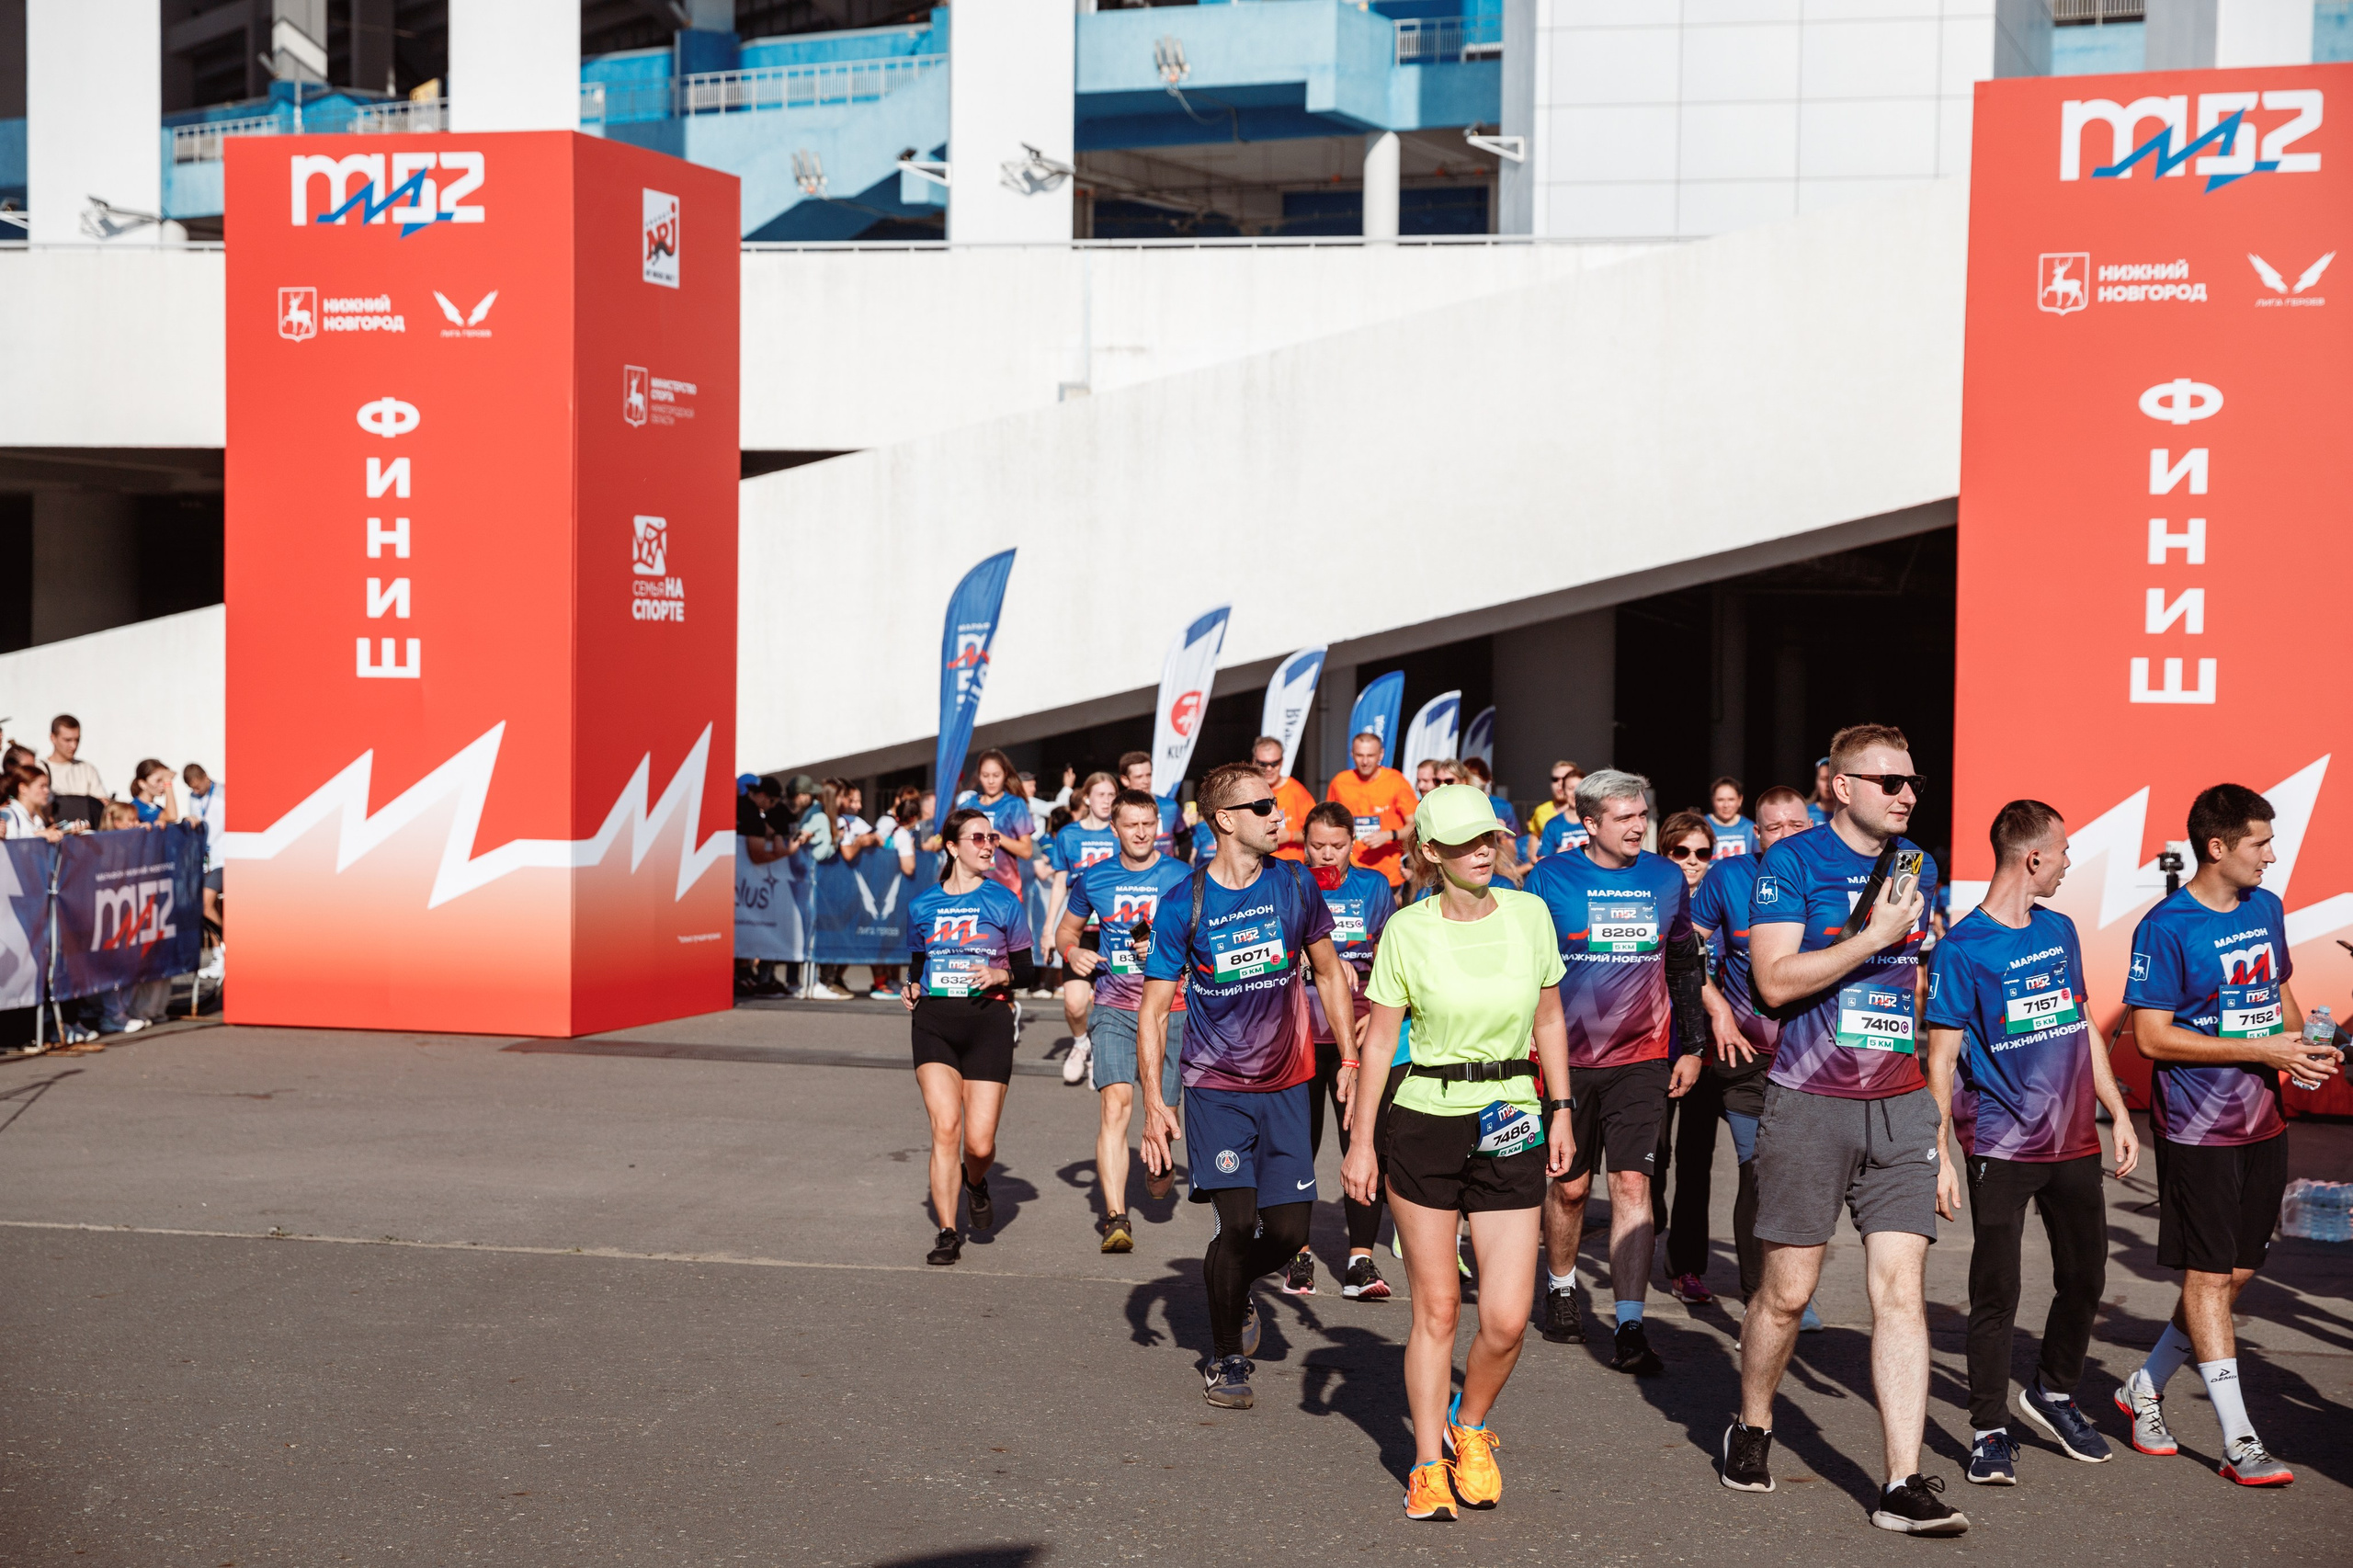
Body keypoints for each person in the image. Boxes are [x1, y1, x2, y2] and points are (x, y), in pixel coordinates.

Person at [1723, 722, 1965, 1536]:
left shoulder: (1918, 866)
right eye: (1891, 783)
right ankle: (1753, 1423)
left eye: (1912, 784)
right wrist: (1870, 938)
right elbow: (1774, 981)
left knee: (1901, 1294)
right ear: (1841, 785)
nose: (1906, 796)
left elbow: (1921, 985)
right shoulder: (1791, 864)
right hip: (1809, 1100)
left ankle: (1901, 1480)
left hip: (1899, 1105)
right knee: (1786, 1294)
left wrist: (1940, 1127)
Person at [1341, 784, 1574, 1521]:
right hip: (1424, 1118)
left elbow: (1551, 1017)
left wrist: (1561, 1109)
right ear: (1431, 853)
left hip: (1511, 1108)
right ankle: (1423, 1465)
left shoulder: (1529, 911)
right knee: (1437, 1308)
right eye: (1466, 841)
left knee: (1506, 1318)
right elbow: (1380, 1040)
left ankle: (1468, 1427)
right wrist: (1358, 1142)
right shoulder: (1407, 930)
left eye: (1491, 837)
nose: (1484, 850)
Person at [2116, 782, 2338, 1487]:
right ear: (2218, 848)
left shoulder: (2265, 908)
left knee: (2238, 1273)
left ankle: (2143, 1386)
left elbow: (2275, 993)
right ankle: (2241, 1440)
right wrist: (2262, 1053)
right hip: (2196, 1130)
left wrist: (2299, 1050)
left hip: (2263, 1120)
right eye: (2260, 844)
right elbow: (2150, 1038)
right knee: (2209, 1279)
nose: (2271, 858)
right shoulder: (2166, 925)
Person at [1925, 799, 2141, 1487]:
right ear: (2033, 857)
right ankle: (1989, 1426)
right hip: (2001, 1144)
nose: (2070, 862)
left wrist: (2117, 1110)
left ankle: (2050, 1392)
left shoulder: (2061, 931)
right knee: (1998, 1289)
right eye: (2064, 851)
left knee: (2087, 1278)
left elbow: (2080, 1026)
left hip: (2074, 1141)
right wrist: (1942, 1157)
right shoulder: (1964, 946)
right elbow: (1940, 1060)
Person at [1136, 761, 1361, 1410]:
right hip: (1215, 1086)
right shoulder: (1186, 901)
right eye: (1264, 808)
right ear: (1225, 821)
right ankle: (1227, 1357)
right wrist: (1156, 1103)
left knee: (1290, 1233)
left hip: (1290, 1081)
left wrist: (1347, 1057)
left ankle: (1228, 1282)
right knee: (1236, 1224)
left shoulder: (1294, 883)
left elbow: (1328, 972)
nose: (1279, 816)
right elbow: (1153, 1011)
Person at [1526, 769, 1708, 1369]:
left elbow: (1683, 961)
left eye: (1642, 814)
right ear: (1591, 823)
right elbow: (1525, 969)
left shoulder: (1665, 877)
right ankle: (1560, 1287)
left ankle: (1631, 1325)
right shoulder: (1551, 878)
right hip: (1566, 1059)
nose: (1638, 825)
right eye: (1625, 816)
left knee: (1634, 1184)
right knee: (1572, 1188)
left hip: (1643, 1058)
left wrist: (1692, 1043)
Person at [1683, 785, 1816, 1315]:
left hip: (1814, 1054)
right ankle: (1760, 1298)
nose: (1786, 835)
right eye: (1774, 827)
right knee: (1757, 1170)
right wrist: (1716, 1006)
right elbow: (1684, 947)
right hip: (1746, 1053)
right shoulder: (1729, 877)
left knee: (1800, 1174)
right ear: (1755, 835)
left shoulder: (1829, 873)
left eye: (1797, 826)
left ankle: (1791, 1288)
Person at [1057, 787, 1195, 1253]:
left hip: (1171, 1010)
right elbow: (1066, 931)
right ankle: (1116, 1217)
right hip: (1115, 1006)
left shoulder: (1182, 875)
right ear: (1113, 828)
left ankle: (1159, 1148)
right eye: (1131, 825)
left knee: (1163, 1123)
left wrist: (1164, 946)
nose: (1140, 833)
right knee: (1116, 1104)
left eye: (1148, 824)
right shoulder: (1094, 879)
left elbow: (1207, 937)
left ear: (1159, 827)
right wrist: (1073, 952)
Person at [904, 807, 1038, 1267]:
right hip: (935, 1023)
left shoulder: (1003, 901)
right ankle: (947, 1231)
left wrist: (1000, 974)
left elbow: (1027, 970)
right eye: (977, 838)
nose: (988, 846)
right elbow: (919, 963)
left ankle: (975, 1183)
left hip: (988, 1023)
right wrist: (912, 985)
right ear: (952, 846)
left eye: (993, 838)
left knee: (978, 1145)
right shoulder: (922, 905)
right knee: (945, 1128)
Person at [1295, 800, 1399, 1300]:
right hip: (1296, 1039)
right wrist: (1319, 965)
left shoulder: (1374, 886)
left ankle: (1361, 1259)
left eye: (1337, 846)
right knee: (1296, 1147)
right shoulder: (1291, 882)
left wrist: (1373, 1007)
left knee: (1363, 1143)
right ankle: (1297, 1255)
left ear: (1352, 845)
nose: (1327, 855)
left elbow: (1392, 956)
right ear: (1303, 842)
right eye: (1318, 846)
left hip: (1356, 1038)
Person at [1648, 809, 1717, 1299]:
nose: (1693, 862)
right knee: (1655, 1157)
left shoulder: (1725, 901)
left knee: (1696, 1161)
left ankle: (1685, 1265)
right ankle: (1647, 1227)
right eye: (1681, 852)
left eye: (1702, 853)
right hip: (1654, 1048)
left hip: (1705, 1053)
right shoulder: (1653, 898)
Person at [1050, 771, 1121, 1086]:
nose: (1106, 801)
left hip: (1116, 931)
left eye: (1111, 795)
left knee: (1111, 1000)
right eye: (1101, 795)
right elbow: (1058, 882)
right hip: (1079, 931)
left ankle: (1102, 1056)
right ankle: (1082, 1043)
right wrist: (1048, 927)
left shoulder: (1122, 833)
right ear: (1087, 798)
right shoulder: (1068, 835)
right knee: (1075, 1002)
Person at [1326, 731, 1420, 890]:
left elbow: (1416, 825)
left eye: (1370, 755)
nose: (1364, 761)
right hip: (1349, 873)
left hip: (1388, 876)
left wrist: (1389, 835)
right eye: (1359, 755)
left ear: (1381, 754)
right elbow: (1328, 824)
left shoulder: (1396, 781)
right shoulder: (1340, 782)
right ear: (1352, 754)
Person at [184, 763, 227, 979]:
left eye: (198, 787)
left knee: (205, 903)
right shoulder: (194, 798)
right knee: (209, 906)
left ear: (205, 778)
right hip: (205, 860)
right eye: (192, 789)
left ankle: (224, 952)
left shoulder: (222, 794)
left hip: (223, 857)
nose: (195, 792)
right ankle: (221, 955)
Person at [1253, 736, 1318, 863]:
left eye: (1274, 763)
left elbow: (1317, 834)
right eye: (1263, 764)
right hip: (1258, 869)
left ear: (1282, 762)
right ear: (1254, 762)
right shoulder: (1248, 791)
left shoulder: (1298, 792)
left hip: (1291, 870)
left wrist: (1290, 836)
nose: (1269, 769)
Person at [42, 714, 104, 829]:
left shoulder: (87, 768)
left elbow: (103, 803)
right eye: (67, 740)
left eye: (77, 740)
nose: (73, 745)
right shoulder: (41, 768)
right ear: (53, 738)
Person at [1118, 750, 1181, 859]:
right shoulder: (1117, 809)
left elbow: (1185, 838)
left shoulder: (1170, 806)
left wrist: (1181, 863)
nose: (1146, 781)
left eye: (1148, 775)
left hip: (1166, 872)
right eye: (1139, 777)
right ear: (1125, 780)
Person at [1533, 764, 1594, 860]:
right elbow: (1543, 860)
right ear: (1564, 792)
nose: (1575, 793)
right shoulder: (1552, 825)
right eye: (1570, 789)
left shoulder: (1595, 820)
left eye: (1579, 788)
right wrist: (1557, 856)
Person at [2, 762, 63, 843]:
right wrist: (39, 836)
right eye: (42, 786)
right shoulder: (8, 815)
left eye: (47, 786)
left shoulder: (37, 818)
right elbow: (9, 848)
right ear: (23, 788)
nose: (47, 791)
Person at [1526, 760, 1581, 844]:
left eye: (1566, 778)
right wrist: (1533, 856)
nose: (1560, 783)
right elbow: (1535, 836)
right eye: (1555, 779)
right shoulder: (1540, 811)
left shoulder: (1586, 810)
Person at [1707, 777, 1758, 859]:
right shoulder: (1703, 826)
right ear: (1712, 800)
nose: (1726, 805)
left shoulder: (1750, 828)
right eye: (1720, 800)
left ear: (1740, 800)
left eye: (1731, 800)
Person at [130, 759, 180, 825]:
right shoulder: (136, 808)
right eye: (158, 780)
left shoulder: (157, 808)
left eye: (163, 780)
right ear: (142, 783)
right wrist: (168, 781)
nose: (163, 785)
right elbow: (172, 816)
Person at [1805, 756, 1835, 828]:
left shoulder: (1847, 814)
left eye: (1831, 779)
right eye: (1824, 779)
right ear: (1816, 782)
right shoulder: (1805, 813)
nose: (1828, 784)